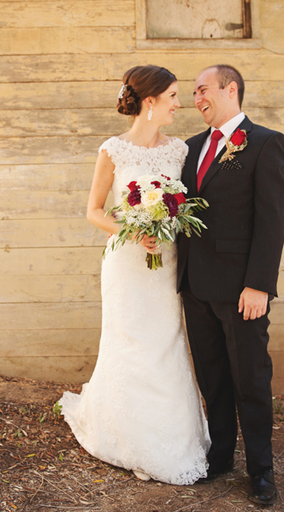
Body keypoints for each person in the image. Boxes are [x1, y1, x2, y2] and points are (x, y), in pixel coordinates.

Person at [58, 65, 210, 485]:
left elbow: (185, 205)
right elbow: (93, 211)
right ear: (151, 101)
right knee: (129, 340)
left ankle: (172, 437)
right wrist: (134, 228)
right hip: (126, 262)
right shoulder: (113, 150)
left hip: (166, 262)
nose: (182, 104)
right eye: (175, 97)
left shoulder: (179, 151)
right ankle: (124, 434)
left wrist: (166, 225)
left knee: (165, 340)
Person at [176, 64, 284, 505]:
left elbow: (272, 220)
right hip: (196, 285)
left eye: (202, 89)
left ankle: (262, 471)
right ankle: (221, 456)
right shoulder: (190, 148)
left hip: (243, 290)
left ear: (231, 89)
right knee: (214, 377)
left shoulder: (264, 143)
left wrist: (259, 285)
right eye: (192, 93)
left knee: (251, 379)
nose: (196, 98)